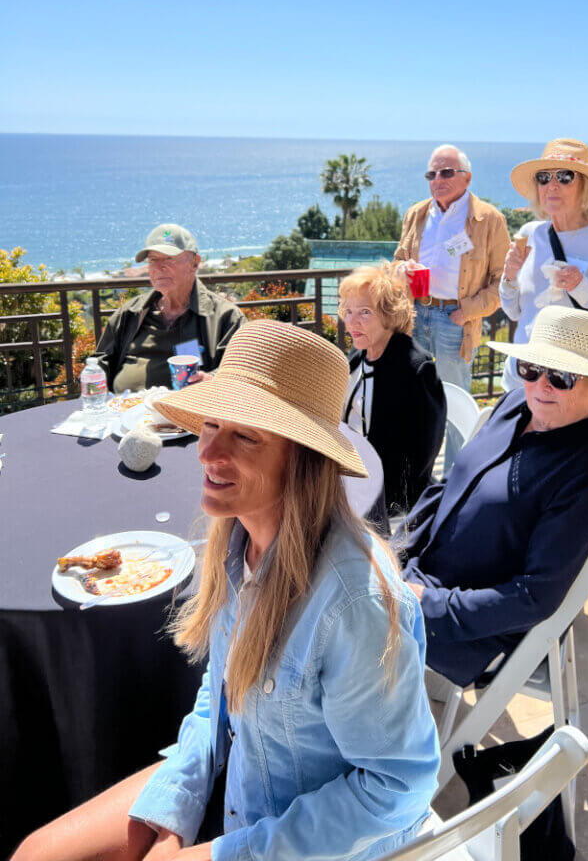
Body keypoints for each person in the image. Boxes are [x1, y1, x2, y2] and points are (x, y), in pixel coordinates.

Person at [14, 320, 440, 861]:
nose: (206, 452)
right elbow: (222, 691)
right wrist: (174, 808)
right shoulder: (238, 545)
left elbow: (395, 790)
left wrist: (220, 855)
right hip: (242, 795)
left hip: (311, 843)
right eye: (211, 424)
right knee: (35, 853)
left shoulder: (356, 603)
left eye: (244, 435)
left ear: (303, 458)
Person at [401, 305, 588, 688]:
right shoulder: (517, 404)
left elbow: (534, 597)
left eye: (562, 376)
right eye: (531, 369)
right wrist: (399, 548)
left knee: (333, 628)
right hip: (419, 578)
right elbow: (452, 487)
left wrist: (423, 604)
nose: (541, 385)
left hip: (472, 631)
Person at [499, 138, 588, 393]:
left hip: (574, 388)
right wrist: (510, 277)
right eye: (543, 177)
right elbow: (515, 313)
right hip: (521, 379)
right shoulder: (530, 233)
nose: (551, 185)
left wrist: (583, 288)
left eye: (565, 176)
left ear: (585, 186)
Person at [394, 144, 509, 465]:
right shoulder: (416, 214)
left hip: (454, 318)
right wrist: (401, 270)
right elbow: (399, 259)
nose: (437, 179)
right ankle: (416, 470)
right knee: (415, 395)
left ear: (467, 178)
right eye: (432, 173)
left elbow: (503, 281)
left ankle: (456, 474)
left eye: (446, 172)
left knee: (455, 400)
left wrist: (466, 313)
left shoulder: (489, 220)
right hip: (416, 313)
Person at [339, 263, 446, 523]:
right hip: (350, 480)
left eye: (365, 312)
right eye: (348, 311)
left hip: (389, 500)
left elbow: (421, 458)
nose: (352, 321)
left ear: (389, 315)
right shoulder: (357, 356)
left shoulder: (416, 370)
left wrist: (373, 500)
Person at [94, 224, 245, 393]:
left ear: (194, 263)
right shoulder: (129, 313)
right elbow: (99, 366)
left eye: (168, 259)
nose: (159, 268)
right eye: (153, 260)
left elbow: (242, 372)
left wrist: (212, 381)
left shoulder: (225, 317)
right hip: (125, 413)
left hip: (189, 415)